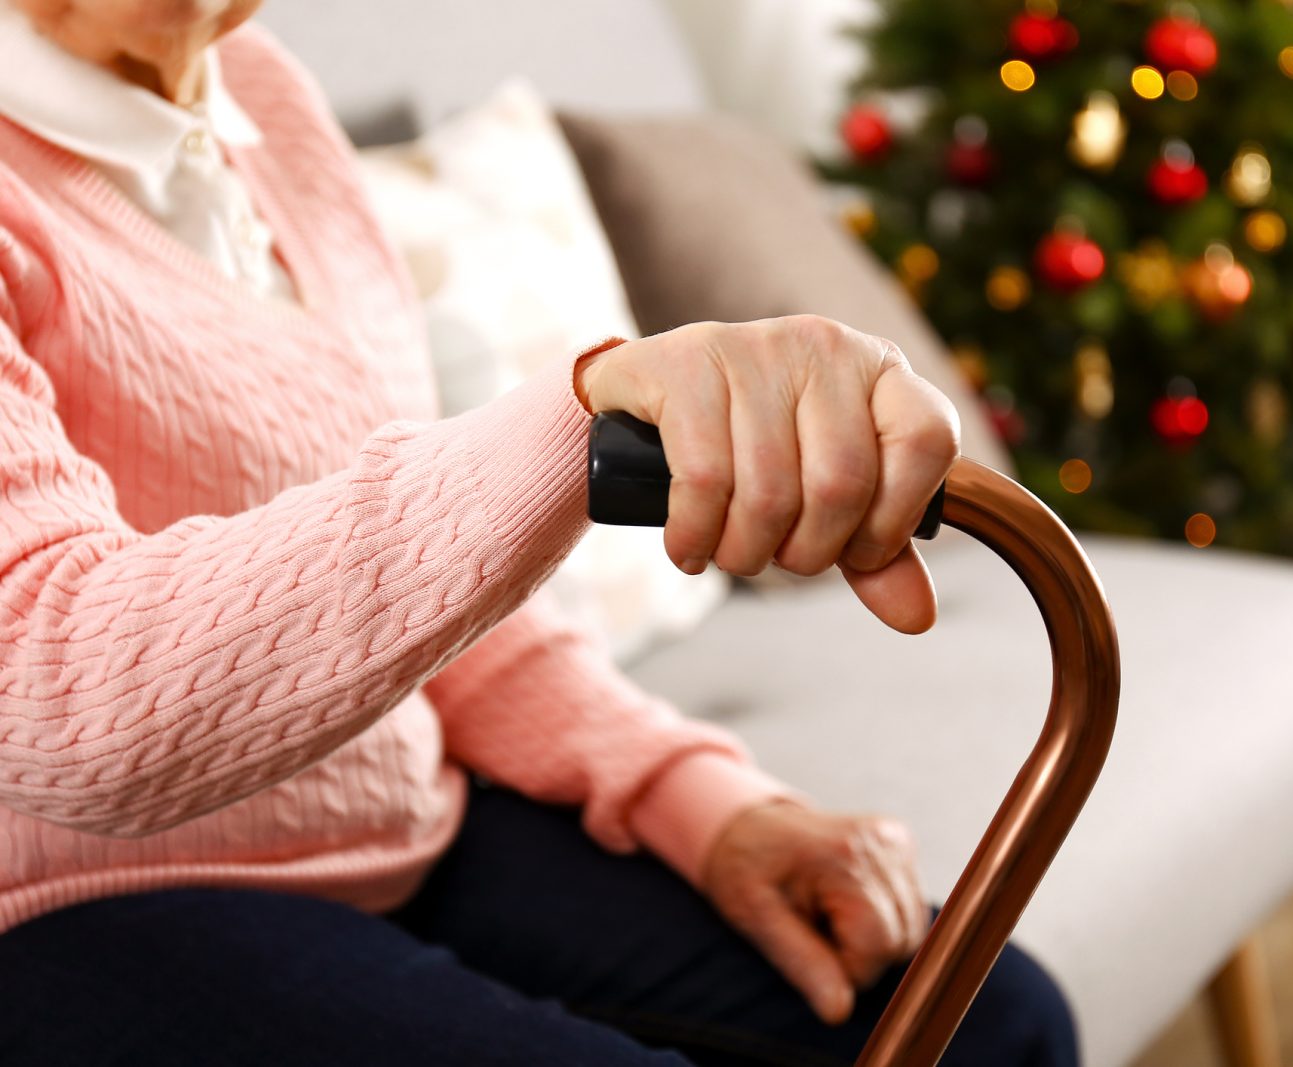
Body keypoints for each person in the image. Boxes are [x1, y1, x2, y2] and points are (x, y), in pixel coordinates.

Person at [0, 1, 1079, 1064]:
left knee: (986, 1014)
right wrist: (574, 425)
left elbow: (414, 584)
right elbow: (56, 700)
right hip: (67, 903)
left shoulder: (265, 100)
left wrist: (702, 803)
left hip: (397, 823)